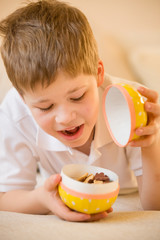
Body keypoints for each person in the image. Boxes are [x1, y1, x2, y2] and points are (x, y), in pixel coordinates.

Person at [0, 0, 160, 222]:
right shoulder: (14, 113)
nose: (66, 118)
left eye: (77, 97)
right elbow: (6, 197)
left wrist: (150, 145)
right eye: (45, 107)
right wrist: (43, 199)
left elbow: (154, 207)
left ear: (98, 74)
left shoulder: (128, 102)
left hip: (131, 188)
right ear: (23, 99)